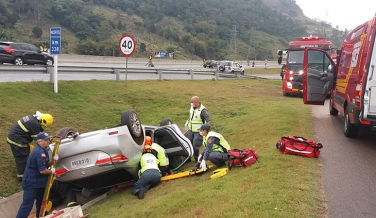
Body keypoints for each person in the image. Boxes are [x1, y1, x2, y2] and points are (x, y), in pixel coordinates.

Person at [16, 132, 58, 218]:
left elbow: (44, 164)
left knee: (41, 203)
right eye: (46, 140)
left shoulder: (43, 150)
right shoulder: (38, 152)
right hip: (31, 183)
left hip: (39, 183)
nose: (48, 142)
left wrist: (53, 161)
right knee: (27, 205)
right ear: (39, 141)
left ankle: (40, 216)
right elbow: (42, 170)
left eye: (48, 140)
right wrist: (51, 172)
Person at [7, 111, 54, 181]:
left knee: (25, 156)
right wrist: (48, 139)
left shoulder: (34, 118)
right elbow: (38, 138)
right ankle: (22, 177)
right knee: (21, 158)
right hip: (17, 141)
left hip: (17, 138)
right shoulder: (34, 124)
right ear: (43, 120)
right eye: (44, 125)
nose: (43, 127)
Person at [186, 96, 211, 163]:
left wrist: (206, 130)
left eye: (192, 102)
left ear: (196, 102)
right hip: (191, 130)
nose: (191, 103)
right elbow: (191, 116)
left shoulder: (203, 110)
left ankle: (197, 159)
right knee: (188, 144)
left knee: (195, 146)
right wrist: (188, 121)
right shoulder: (192, 108)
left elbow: (208, 120)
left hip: (198, 131)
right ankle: (188, 159)